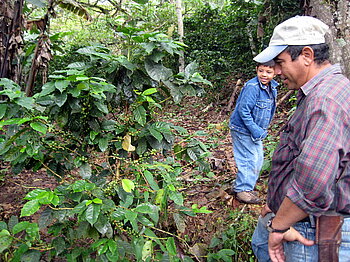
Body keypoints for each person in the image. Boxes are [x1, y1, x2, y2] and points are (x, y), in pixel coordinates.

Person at [251, 15, 350, 262]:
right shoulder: (327, 91)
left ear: (307, 55)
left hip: (309, 232)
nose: (276, 71)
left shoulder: (324, 100)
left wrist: (280, 224)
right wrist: (277, 205)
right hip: (302, 221)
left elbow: (313, 181)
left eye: (281, 62)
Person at [229, 60, 278, 204]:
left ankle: (245, 185)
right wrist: (256, 130)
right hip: (243, 129)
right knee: (248, 159)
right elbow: (243, 111)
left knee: (258, 159)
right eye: (261, 71)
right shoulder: (252, 87)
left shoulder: (271, 87)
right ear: (256, 69)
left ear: (275, 73)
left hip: (255, 130)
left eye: (269, 72)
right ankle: (242, 190)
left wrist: (261, 130)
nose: (264, 75)